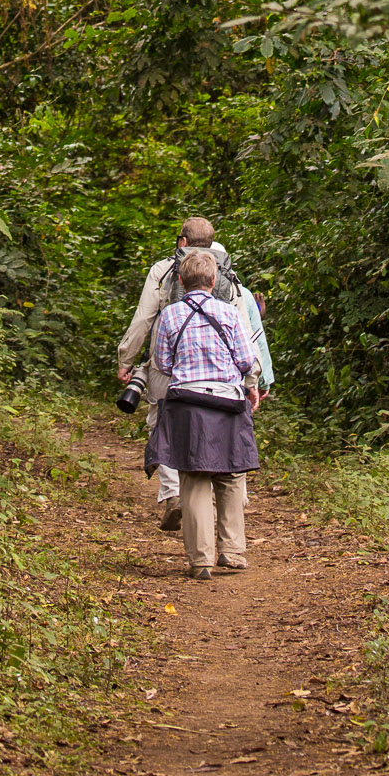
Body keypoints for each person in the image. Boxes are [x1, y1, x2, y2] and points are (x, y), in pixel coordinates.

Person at [117, 217, 272, 532]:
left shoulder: (163, 270)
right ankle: (227, 501)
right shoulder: (225, 273)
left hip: (169, 363)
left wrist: (126, 358)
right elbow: (246, 328)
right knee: (221, 427)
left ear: (182, 242)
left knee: (162, 423)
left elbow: (144, 316)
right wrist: (254, 378)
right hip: (221, 371)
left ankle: (174, 494)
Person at [145, 248, 260, 580]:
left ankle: (200, 561)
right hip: (227, 402)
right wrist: (249, 384)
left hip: (188, 404)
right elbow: (245, 359)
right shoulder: (229, 313)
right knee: (232, 474)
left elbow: (163, 364)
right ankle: (233, 551)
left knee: (194, 478)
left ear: (181, 281)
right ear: (214, 281)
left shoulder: (169, 316)